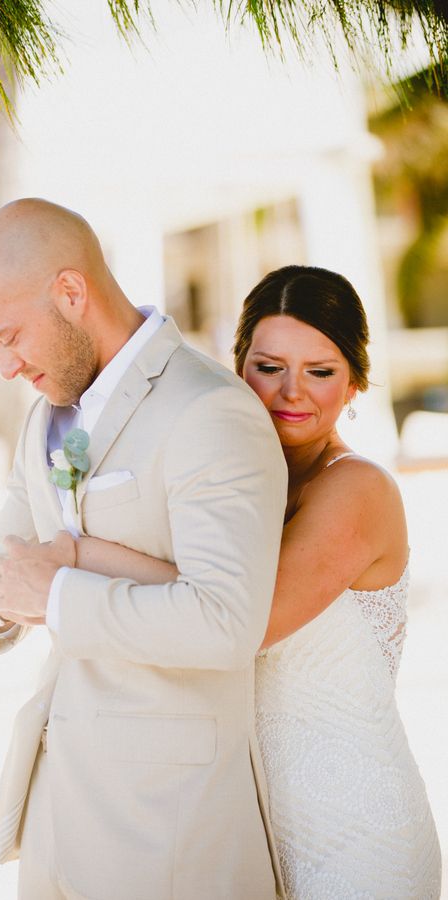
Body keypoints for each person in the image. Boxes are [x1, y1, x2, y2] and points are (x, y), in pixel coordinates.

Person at [42, 265, 442, 899]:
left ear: (356, 382)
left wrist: (74, 555)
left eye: (321, 371)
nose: (292, 393)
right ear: (236, 366)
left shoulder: (359, 491)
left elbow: (239, 617)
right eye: (269, 366)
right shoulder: (226, 485)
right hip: (253, 829)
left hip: (359, 836)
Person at [0, 198, 288, 900]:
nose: (7, 368)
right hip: (56, 819)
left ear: (70, 292)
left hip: (169, 830)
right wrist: (2, 601)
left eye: (9, 337)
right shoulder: (42, 421)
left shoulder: (209, 410)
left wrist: (56, 588)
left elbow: (227, 623)